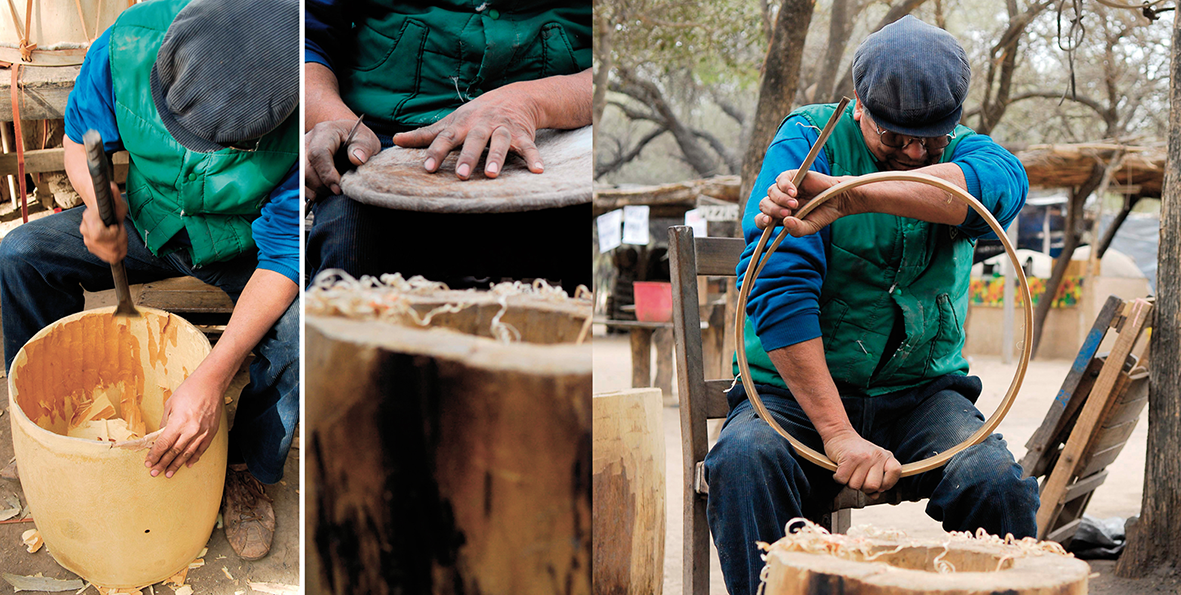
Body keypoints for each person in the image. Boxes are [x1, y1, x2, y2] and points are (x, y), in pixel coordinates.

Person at [705, 16, 1040, 595]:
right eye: (895, 138)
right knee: (743, 462)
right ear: (857, 104)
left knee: (997, 482)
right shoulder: (805, 143)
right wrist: (838, 435)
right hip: (792, 398)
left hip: (921, 397)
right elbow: (776, 287)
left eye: (930, 139)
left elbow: (994, 187)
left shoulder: (975, 156)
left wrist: (850, 196)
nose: (914, 152)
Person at [0, 0, 299, 561]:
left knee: (301, 330)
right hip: (147, 218)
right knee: (20, 255)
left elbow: (285, 258)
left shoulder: (309, 110)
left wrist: (213, 375)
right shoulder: (126, 45)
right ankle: (42, 432)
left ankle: (247, 467)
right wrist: (98, 205)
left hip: (244, 243)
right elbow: (79, 143)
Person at [303, 0, 592, 290]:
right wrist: (335, 119)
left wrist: (532, 102)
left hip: (555, 133)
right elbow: (306, 36)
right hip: (388, 136)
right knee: (349, 247)